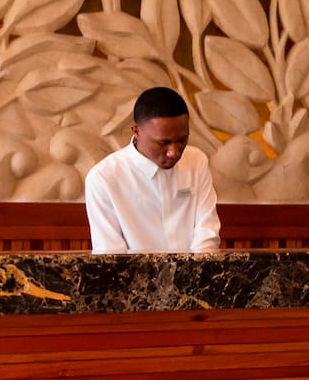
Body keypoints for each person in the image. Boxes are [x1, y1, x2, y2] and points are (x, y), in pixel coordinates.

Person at [83, 86, 221, 254]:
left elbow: (206, 234)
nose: (174, 152)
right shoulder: (103, 179)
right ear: (136, 132)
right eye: (164, 143)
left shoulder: (196, 161)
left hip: (195, 276)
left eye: (182, 140)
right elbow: (110, 254)